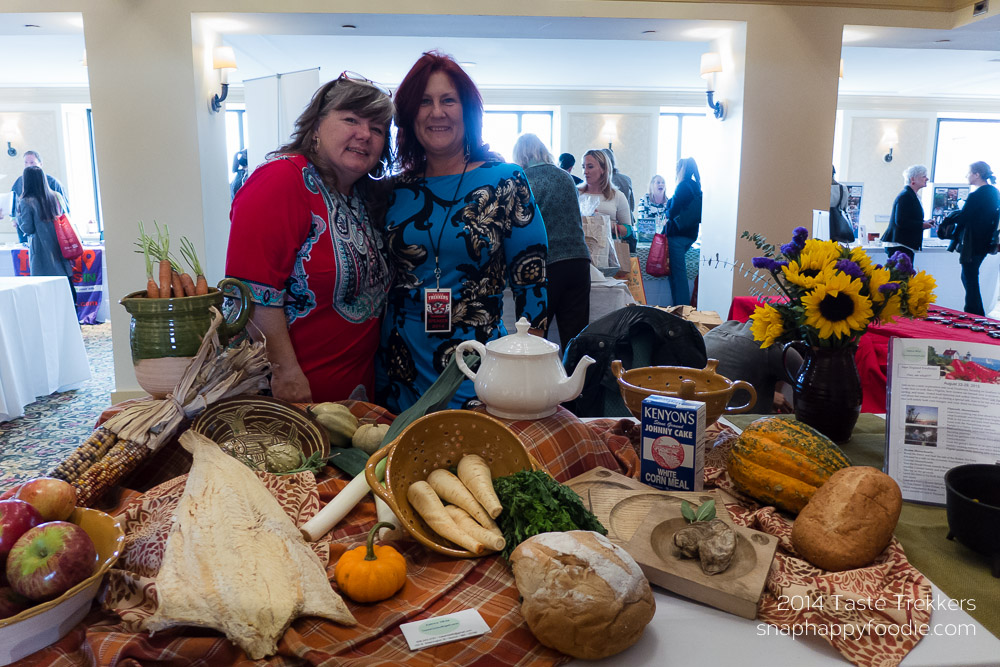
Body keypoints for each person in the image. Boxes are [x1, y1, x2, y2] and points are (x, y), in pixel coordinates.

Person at [375, 52, 548, 413]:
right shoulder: (393, 191)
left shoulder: (505, 180)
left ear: (466, 111)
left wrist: (528, 364)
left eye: (447, 100)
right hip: (398, 364)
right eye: (424, 101)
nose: (436, 112)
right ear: (409, 115)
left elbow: (531, 279)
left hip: (479, 361)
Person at [226, 73, 394, 403]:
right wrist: (284, 372)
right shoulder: (281, 180)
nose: (364, 134)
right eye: (351, 119)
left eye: (377, 129)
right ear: (315, 125)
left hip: (355, 395)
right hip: (289, 396)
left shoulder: (361, 196)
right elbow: (251, 292)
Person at [513, 133, 591, 349]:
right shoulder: (566, 177)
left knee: (534, 338)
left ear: (520, 155)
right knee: (575, 338)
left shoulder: (523, 179)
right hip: (579, 260)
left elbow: (519, 225)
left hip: (545, 265)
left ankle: (537, 383)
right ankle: (575, 381)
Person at [703, 320, 799, 414]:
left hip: (700, 411)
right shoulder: (772, 347)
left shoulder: (721, 328)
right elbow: (811, 390)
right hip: (730, 418)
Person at [946, 161, 1000, 316]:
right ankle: (976, 312)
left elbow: (964, 217)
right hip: (985, 241)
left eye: (969, 172)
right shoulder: (994, 192)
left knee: (969, 277)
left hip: (972, 242)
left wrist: (952, 215)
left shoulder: (976, 195)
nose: (966, 176)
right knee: (970, 276)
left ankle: (973, 313)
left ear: (977, 174)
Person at [15, 165, 74, 300]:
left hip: (41, 252)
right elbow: (66, 216)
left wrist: (18, 217)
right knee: (65, 289)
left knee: (44, 293)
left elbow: (28, 228)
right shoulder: (56, 196)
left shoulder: (26, 201)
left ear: (26, 181)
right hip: (60, 247)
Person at [3, 151, 69, 244]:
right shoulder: (19, 182)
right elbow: (12, 203)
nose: (29, 165)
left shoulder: (53, 183)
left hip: (51, 231)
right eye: (26, 162)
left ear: (40, 164)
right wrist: (14, 219)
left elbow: (65, 210)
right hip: (26, 233)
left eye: (32, 162)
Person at [578, 149, 633, 256]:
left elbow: (628, 230)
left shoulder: (617, 196)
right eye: (583, 167)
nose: (585, 171)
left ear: (603, 169)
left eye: (590, 167)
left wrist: (610, 226)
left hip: (607, 254)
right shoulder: (576, 194)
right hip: (581, 252)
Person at [666, 157, 702, 306]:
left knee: (679, 275)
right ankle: (678, 306)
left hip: (677, 236)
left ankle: (682, 309)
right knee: (677, 273)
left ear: (681, 169)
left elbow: (672, 212)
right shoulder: (696, 187)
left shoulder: (682, 187)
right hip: (691, 234)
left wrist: (668, 207)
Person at [881, 164, 933, 265]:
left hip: (904, 244)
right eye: (923, 176)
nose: (927, 179)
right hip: (899, 245)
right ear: (913, 179)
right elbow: (900, 221)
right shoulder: (906, 196)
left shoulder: (911, 195)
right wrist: (921, 225)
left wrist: (924, 223)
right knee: (900, 278)